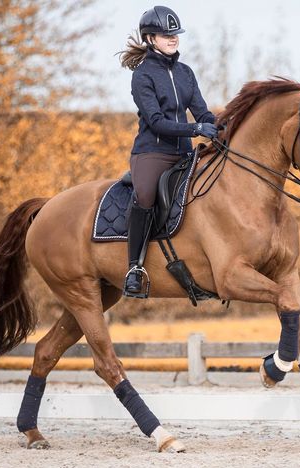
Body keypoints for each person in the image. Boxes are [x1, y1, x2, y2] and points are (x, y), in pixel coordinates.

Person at [118, 5, 218, 296]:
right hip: (153, 153)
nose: (172, 38)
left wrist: (218, 126)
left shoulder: (186, 73)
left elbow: (202, 111)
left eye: (174, 33)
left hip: (186, 153)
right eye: (165, 34)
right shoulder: (142, 75)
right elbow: (157, 122)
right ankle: (134, 268)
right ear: (150, 38)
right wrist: (196, 130)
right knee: (146, 196)